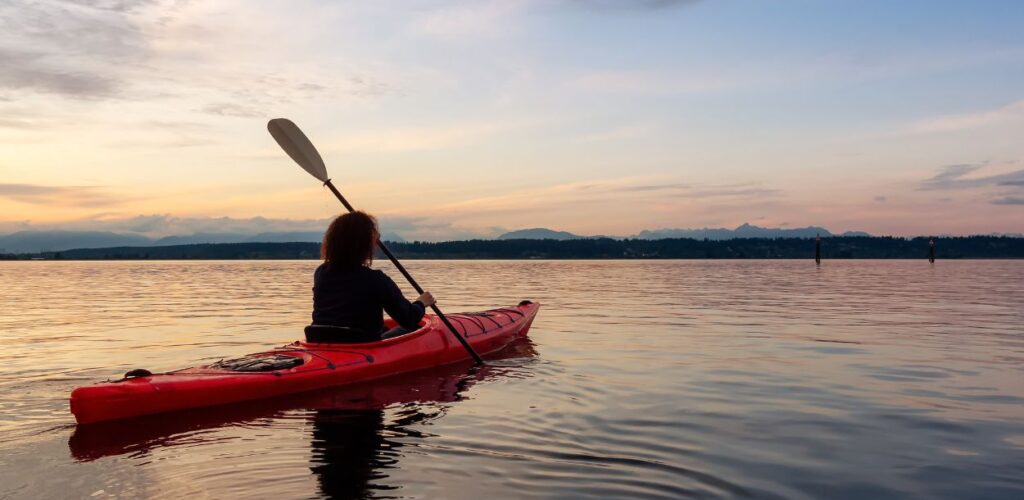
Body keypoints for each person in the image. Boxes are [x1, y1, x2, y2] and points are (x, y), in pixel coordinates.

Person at [311, 211, 435, 340]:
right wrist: (421, 303)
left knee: (384, 329)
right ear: (364, 244)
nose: (377, 241)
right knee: (414, 327)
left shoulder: (321, 273)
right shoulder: (376, 280)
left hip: (320, 340)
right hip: (361, 345)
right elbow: (408, 318)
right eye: (375, 237)